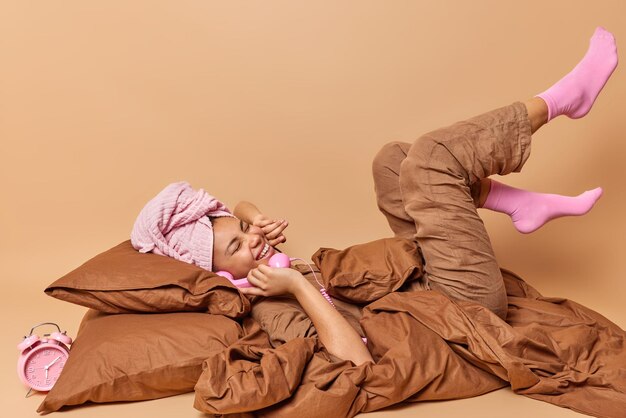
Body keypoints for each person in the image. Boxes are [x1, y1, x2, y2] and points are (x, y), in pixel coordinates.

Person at [131, 27, 618, 367]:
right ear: (219, 274)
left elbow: (237, 206)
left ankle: (519, 204)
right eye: (237, 249)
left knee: (391, 160)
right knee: (431, 158)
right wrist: (298, 287)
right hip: (456, 311)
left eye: (243, 236)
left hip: (423, 278)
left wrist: (252, 222)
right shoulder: (265, 303)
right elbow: (354, 360)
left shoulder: (255, 252)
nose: (251, 244)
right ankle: (560, 101)